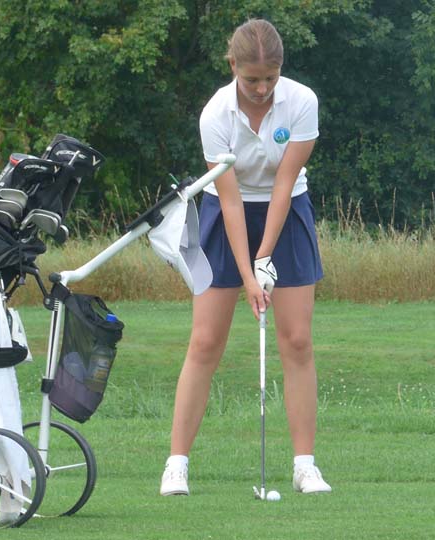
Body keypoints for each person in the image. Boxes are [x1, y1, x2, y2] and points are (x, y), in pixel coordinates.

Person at [160, 18, 331, 496]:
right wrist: (248, 274)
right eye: (251, 78)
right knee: (205, 341)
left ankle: (304, 466)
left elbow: (282, 184)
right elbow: (230, 201)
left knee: (297, 340)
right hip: (225, 212)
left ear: (281, 71)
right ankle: (176, 464)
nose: (260, 89)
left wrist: (266, 257)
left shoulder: (302, 103)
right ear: (233, 65)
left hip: (287, 211)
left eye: (269, 79)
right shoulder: (215, 115)